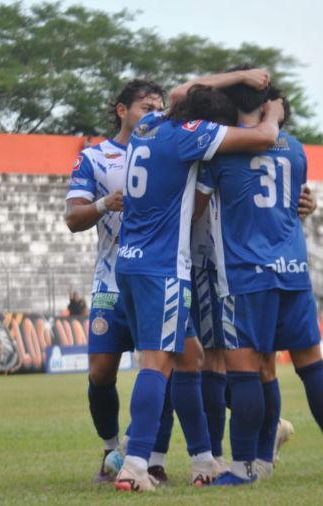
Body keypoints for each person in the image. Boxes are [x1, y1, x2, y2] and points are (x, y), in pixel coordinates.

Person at [112, 69, 289, 492]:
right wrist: (274, 113)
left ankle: (203, 457)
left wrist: (243, 75)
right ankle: (134, 466)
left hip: (131, 261)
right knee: (156, 364)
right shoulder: (191, 135)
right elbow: (264, 138)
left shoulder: (151, 125)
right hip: (163, 268)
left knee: (189, 358)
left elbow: (178, 91)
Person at [198, 73, 323, 485]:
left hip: (245, 275)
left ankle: (244, 468)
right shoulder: (296, 150)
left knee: (244, 372)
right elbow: (291, 201)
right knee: (312, 368)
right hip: (293, 272)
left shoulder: (222, 152)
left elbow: (196, 208)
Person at [65, 79, 166, 485]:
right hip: (110, 282)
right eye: (146, 106)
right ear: (122, 110)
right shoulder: (94, 157)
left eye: (160, 107)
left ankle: (153, 459)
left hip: (155, 279)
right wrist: (107, 202)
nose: (154, 114)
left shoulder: (168, 153)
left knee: (159, 368)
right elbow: (73, 218)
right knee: (101, 372)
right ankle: (111, 449)